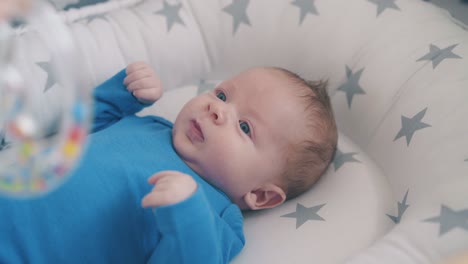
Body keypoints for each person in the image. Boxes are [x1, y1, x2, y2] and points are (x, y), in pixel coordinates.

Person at [0, 62, 337, 263]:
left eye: (245, 127)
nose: (217, 109)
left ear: (261, 195)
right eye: (222, 95)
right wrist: (122, 95)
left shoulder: (214, 215)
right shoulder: (150, 125)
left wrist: (187, 214)